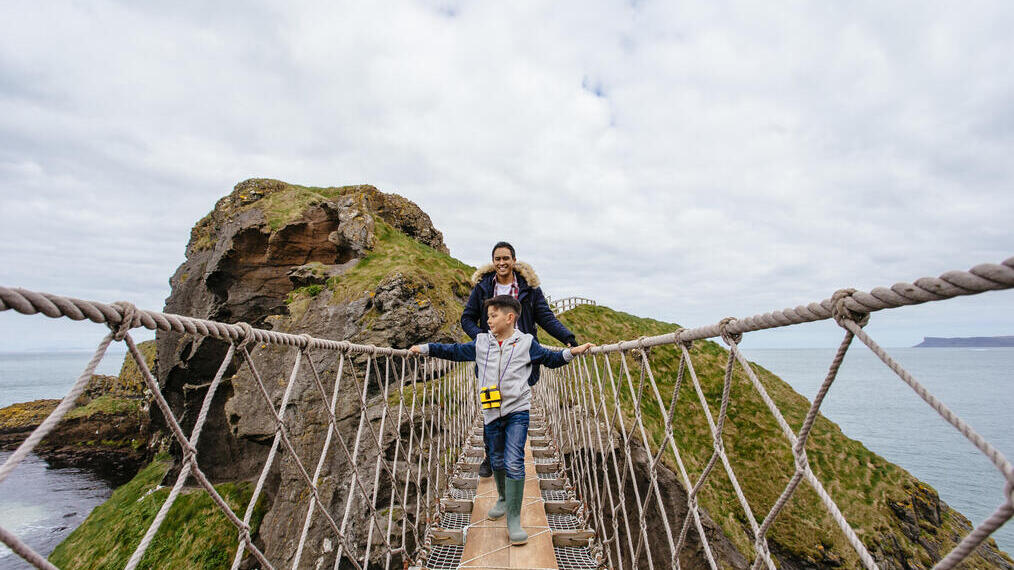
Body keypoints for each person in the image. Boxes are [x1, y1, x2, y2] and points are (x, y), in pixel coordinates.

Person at [412, 296, 593, 545]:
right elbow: (453, 351)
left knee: (514, 460)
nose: (487, 320)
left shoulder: (527, 343)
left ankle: (514, 519)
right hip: (490, 412)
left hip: (518, 410)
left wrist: (572, 352)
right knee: (496, 459)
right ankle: (503, 498)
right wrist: (426, 349)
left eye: (492, 316)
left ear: (510, 318)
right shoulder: (481, 343)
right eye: (487, 316)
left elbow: (550, 360)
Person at [461, 241, 579, 477]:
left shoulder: (529, 289)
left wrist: (567, 337)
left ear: (514, 261)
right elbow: (467, 318)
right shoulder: (483, 287)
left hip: (521, 356)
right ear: (493, 262)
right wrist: (483, 338)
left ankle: (511, 457)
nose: (502, 263)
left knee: (515, 406)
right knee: (491, 404)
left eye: (506, 258)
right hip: (492, 358)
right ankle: (489, 456)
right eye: (497, 259)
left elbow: (545, 317)